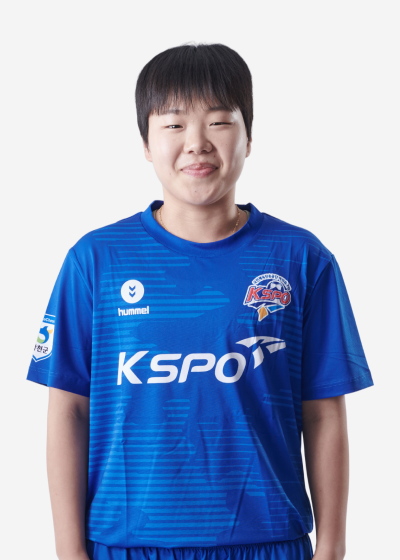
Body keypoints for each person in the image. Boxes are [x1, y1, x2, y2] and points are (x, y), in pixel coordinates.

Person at [26, 43, 374, 560]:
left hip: (267, 543)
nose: (196, 144)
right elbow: (69, 410)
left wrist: (332, 549)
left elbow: (324, 413)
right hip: (126, 544)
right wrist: (69, 551)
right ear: (146, 142)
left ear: (248, 137)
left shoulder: (301, 259)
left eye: (218, 122)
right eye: (173, 124)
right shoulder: (96, 261)